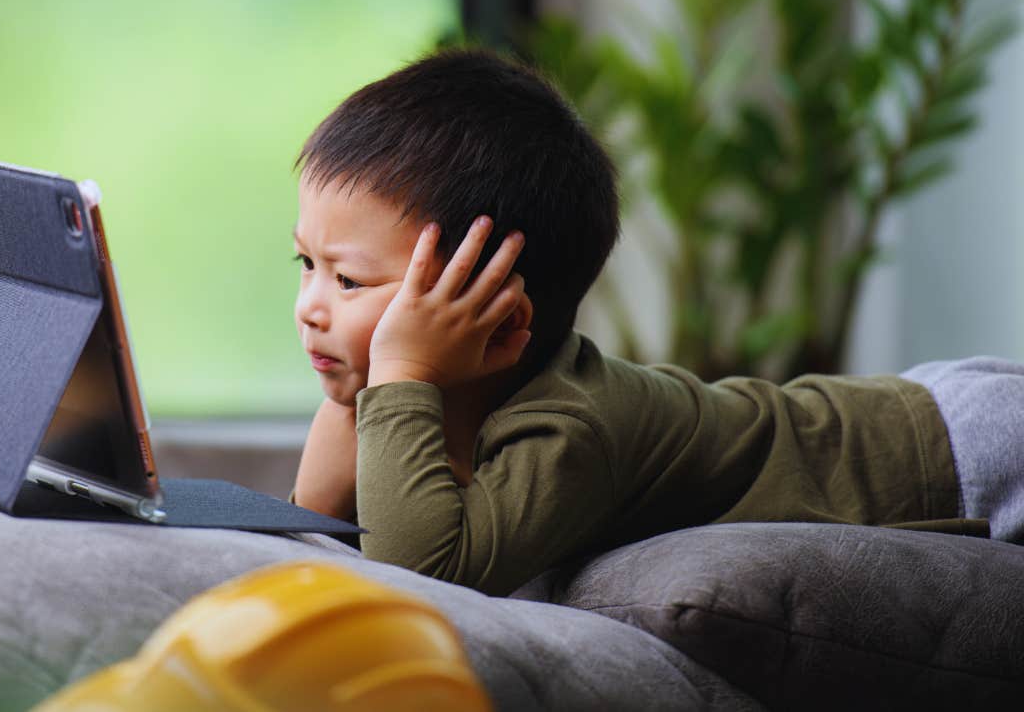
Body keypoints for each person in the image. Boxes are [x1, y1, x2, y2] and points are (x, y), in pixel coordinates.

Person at [288, 48, 1024, 597]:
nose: (311, 306)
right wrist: (348, 425)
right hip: (924, 411)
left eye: (348, 278)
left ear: (502, 321)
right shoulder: (431, 395)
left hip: (957, 453)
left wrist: (396, 376)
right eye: (306, 265)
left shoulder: (569, 428)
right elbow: (311, 551)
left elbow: (420, 573)